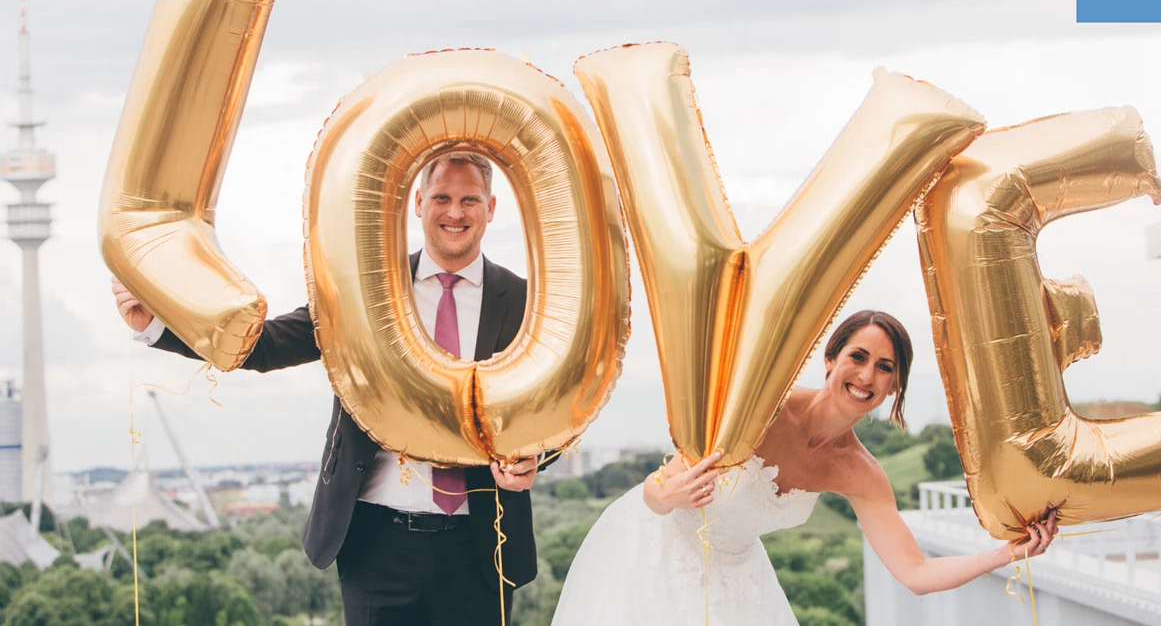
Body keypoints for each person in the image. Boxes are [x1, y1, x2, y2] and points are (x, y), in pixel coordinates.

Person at [113, 151, 543, 626]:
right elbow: (269, 344)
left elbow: (550, 405)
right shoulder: (366, 289)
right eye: (442, 197)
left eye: (469, 200)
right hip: (375, 542)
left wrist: (536, 456)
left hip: (481, 546)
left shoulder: (525, 302)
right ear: (418, 202)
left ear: (491, 208)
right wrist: (159, 326)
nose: (455, 213)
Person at [550, 310, 1058, 625]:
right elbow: (657, 494)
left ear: (895, 386)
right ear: (830, 359)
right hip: (653, 552)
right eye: (858, 357)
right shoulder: (760, 407)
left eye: (885, 368)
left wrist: (1007, 553)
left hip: (738, 580)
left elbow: (916, 572)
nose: (867, 376)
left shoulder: (861, 473)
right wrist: (669, 496)